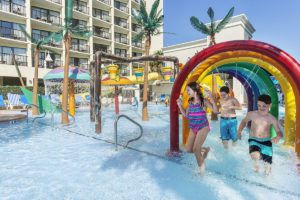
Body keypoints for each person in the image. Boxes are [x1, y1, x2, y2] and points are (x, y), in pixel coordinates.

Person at [177, 82, 218, 174]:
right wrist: (179, 105)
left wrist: (211, 98)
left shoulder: (204, 101)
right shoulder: (190, 102)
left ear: (194, 90)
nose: (187, 92)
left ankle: (202, 172)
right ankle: (206, 149)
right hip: (193, 127)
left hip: (203, 127)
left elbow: (216, 111)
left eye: (188, 90)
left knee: (196, 149)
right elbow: (186, 115)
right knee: (189, 150)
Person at [238, 94, 282, 175]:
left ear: (270, 105)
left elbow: (279, 131)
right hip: (254, 139)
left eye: (264, 106)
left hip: (266, 142)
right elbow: (244, 121)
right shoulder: (252, 114)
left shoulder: (272, 118)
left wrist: (278, 136)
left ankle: (266, 179)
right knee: (255, 155)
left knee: (267, 166)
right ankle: (256, 169)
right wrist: (239, 131)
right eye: (259, 105)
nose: (261, 108)